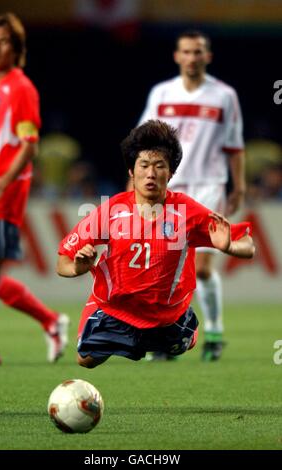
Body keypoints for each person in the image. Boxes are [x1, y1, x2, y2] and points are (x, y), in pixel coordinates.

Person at [57, 120, 254, 369]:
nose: (151, 174)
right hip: (118, 309)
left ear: (171, 173)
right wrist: (78, 268)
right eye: (144, 165)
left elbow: (248, 245)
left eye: (160, 166)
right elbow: (62, 261)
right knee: (84, 361)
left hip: (167, 317)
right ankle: (124, 333)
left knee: (180, 343)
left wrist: (230, 248)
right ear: (131, 171)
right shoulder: (111, 210)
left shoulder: (186, 211)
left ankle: (178, 334)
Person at [137, 30, 246, 361]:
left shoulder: (224, 96)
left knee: (200, 265)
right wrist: (137, 182)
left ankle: (213, 330)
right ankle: (165, 338)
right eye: (186, 51)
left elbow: (234, 146)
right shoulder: (161, 93)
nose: (192, 57)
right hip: (166, 185)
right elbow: (144, 141)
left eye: (198, 51)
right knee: (161, 265)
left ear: (207, 57)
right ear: (177, 56)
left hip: (209, 185)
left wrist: (238, 186)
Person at [0, 13, 69, 365]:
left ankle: (44, 323)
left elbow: (28, 145)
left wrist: (1, 185)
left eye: (5, 41)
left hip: (1, 195)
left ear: (16, 50)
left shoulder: (20, 88)